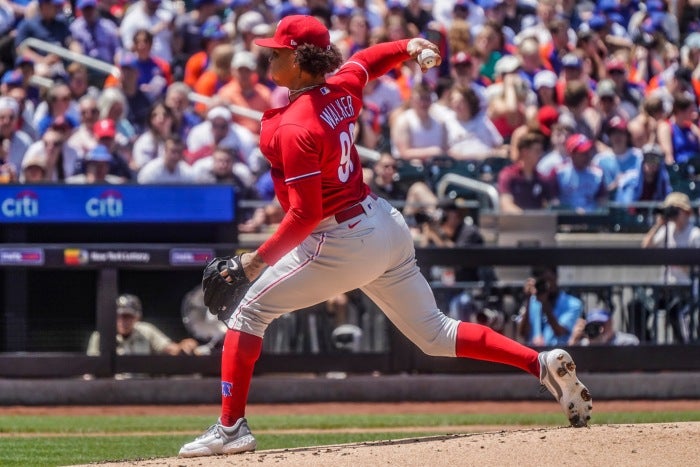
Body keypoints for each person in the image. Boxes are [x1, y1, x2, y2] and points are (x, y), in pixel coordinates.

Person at [178, 15, 592, 458]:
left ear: (299, 60)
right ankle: (538, 363)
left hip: (339, 238)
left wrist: (252, 262)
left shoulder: (295, 125)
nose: (268, 55)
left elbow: (305, 213)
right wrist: (411, 45)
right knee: (435, 334)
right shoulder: (339, 89)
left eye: (277, 51)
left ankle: (230, 428)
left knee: (248, 312)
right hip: (383, 223)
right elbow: (365, 61)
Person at [641, 191, 700, 343]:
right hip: (665, 288)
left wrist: (679, 262)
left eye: (675, 210)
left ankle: (683, 352)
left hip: (686, 290)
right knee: (636, 306)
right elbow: (646, 247)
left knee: (675, 312)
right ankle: (645, 348)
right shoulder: (666, 230)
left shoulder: (694, 234)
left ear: (686, 212)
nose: (672, 215)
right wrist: (658, 224)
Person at [86, 293, 198, 356]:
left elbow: (171, 349)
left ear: (137, 317)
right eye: (118, 316)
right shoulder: (100, 336)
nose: (122, 321)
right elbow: (90, 369)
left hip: (141, 388)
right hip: (112, 389)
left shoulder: (146, 331)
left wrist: (184, 345)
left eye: (127, 316)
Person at [517, 266, 583, 347]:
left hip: (558, 355)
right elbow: (523, 333)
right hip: (535, 355)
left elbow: (559, 332)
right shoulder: (532, 301)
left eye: (548, 279)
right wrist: (528, 299)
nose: (545, 284)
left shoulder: (573, 304)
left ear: (555, 277)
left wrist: (544, 303)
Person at [568, 309, 640, 346]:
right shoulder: (585, 345)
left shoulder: (627, 342)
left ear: (611, 322)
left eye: (602, 324)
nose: (601, 329)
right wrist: (574, 340)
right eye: (595, 325)